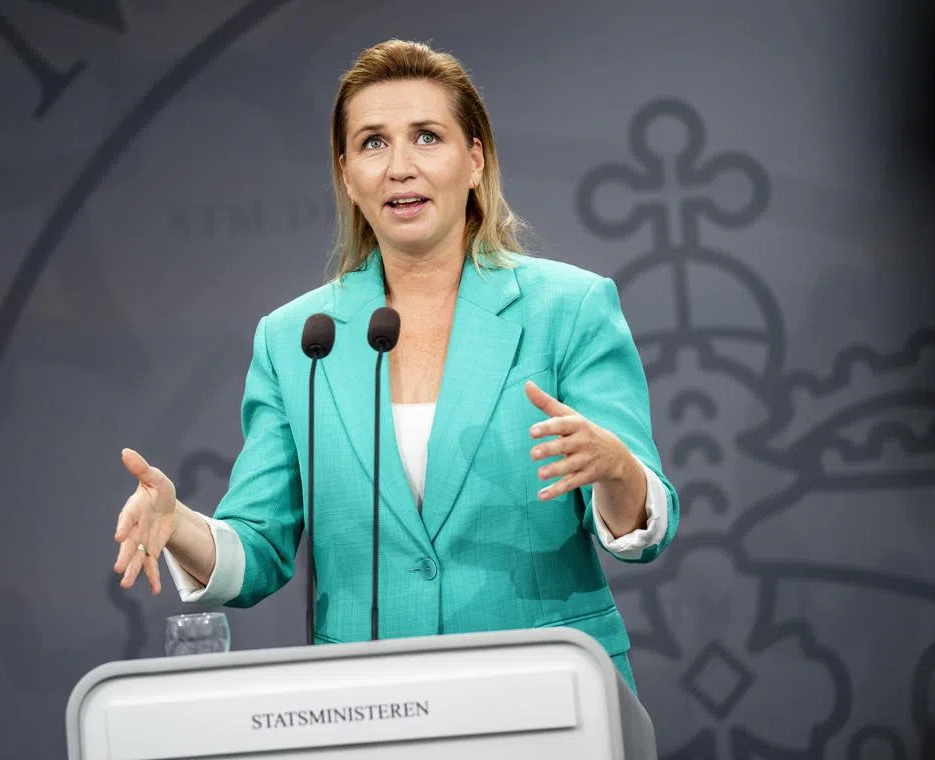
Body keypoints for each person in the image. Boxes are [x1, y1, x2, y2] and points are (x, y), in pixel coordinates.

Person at [112, 39, 679, 693]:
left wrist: (616, 470)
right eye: (374, 143)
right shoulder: (295, 339)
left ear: (475, 160)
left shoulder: (568, 309)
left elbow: (643, 527)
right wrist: (178, 523)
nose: (400, 166)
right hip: (369, 706)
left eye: (427, 137)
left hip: (550, 694)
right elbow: (259, 550)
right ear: (347, 175)